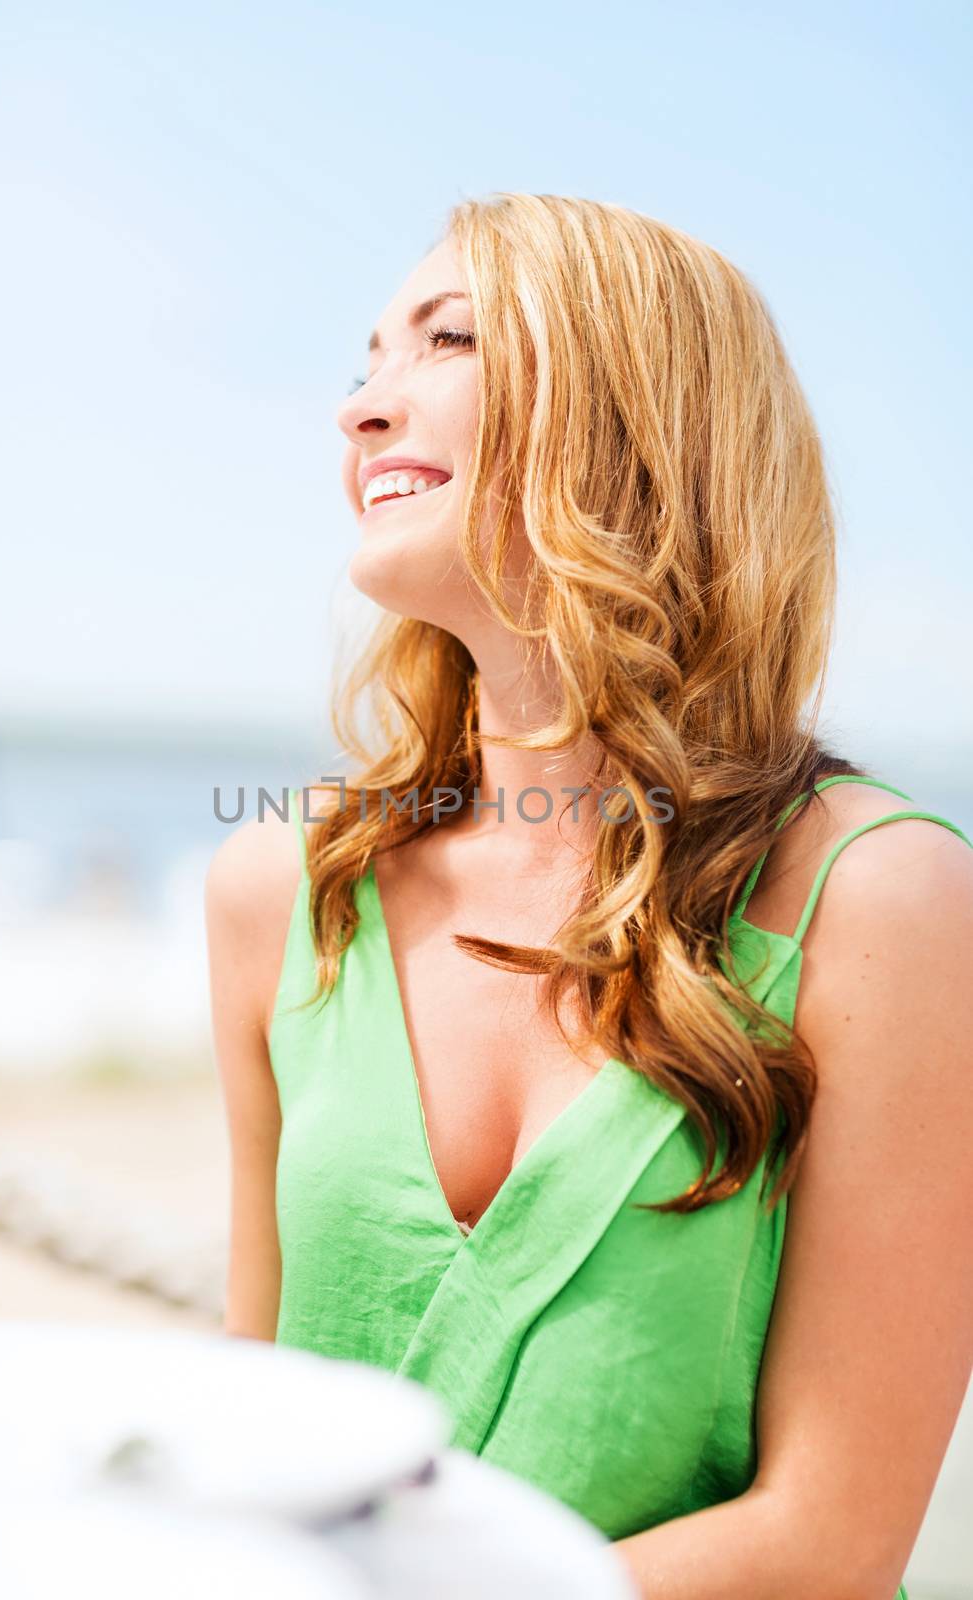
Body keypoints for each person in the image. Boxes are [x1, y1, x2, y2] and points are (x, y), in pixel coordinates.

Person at [204, 193, 973, 1600]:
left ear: (640, 409)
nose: (363, 410)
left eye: (450, 342)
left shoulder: (887, 898)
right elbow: (259, 1423)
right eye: (363, 361)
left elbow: (834, 1541)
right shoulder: (283, 889)